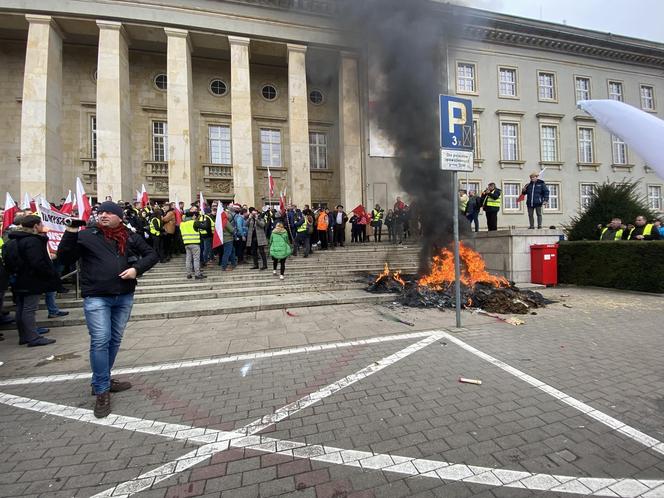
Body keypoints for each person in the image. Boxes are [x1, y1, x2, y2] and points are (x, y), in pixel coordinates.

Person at [58, 201, 158, 418]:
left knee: (114, 339)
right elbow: (65, 258)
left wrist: (136, 269)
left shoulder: (129, 236)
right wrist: (70, 232)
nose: (103, 215)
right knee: (100, 339)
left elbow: (152, 255)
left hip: (123, 295)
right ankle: (102, 389)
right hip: (97, 297)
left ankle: (101, 379)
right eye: (100, 211)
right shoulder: (86, 235)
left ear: (119, 217)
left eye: (108, 212)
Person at [5, 215, 60, 347]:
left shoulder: (12, 241)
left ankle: (24, 335)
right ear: (36, 226)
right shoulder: (32, 241)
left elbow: (8, 260)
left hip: (18, 278)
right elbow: (37, 262)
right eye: (40, 224)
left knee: (21, 307)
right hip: (31, 280)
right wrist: (48, 273)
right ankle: (33, 337)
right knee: (29, 309)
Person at [180, 208, 205, 279]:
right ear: (193, 216)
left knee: (188, 259)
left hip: (186, 243)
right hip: (195, 243)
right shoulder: (194, 222)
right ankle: (197, 274)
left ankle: (188, 274)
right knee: (196, 259)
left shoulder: (182, 224)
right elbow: (204, 226)